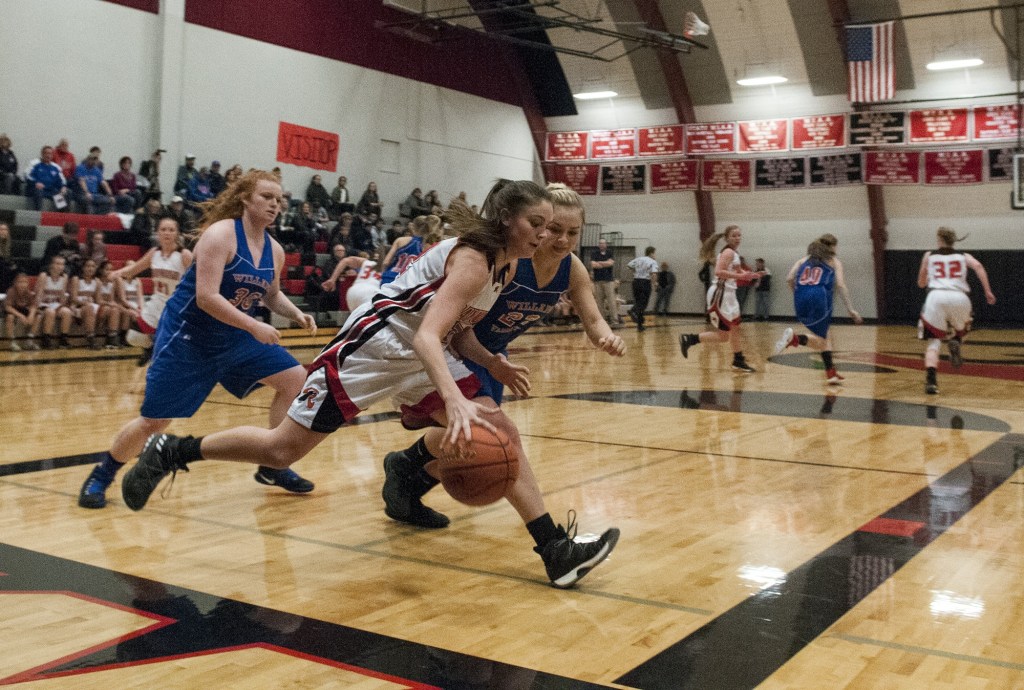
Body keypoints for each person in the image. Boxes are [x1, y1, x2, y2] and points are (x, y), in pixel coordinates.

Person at [117, 181, 548, 528]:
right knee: (281, 451)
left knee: (496, 426)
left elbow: (456, 331)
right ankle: (171, 450)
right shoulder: (474, 259)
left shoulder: (505, 266)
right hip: (376, 346)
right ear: (507, 219)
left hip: (419, 355)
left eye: (551, 227)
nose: (545, 235)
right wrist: (453, 397)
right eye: (537, 223)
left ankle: (553, 544)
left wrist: (491, 361)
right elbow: (427, 336)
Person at [380, 182, 622, 588]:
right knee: (499, 442)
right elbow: (453, 328)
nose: (560, 239)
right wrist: (489, 360)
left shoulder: (572, 267)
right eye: (551, 228)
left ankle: (407, 469)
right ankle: (555, 549)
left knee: (479, 449)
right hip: (452, 350)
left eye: (571, 232)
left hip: (487, 357)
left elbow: (593, 318)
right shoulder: (510, 260)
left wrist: (604, 336)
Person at [77, 170, 318, 509]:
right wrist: (253, 326)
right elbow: (206, 297)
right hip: (189, 336)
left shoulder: (274, 250)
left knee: (295, 379)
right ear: (246, 199)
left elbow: (271, 294)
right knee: (155, 421)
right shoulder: (220, 235)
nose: (275, 204)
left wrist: (295, 313)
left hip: (233, 336)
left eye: (279, 200)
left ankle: (273, 464)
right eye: (267, 197)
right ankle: (101, 475)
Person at [772, 235, 862, 385]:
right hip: (819, 298)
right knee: (821, 340)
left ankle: (831, 374)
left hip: (800, 297)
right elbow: (840, 285)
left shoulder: (803, 260)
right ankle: (795, 338)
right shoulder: (833, 261)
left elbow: (789, 278)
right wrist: (851, 309)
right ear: (832, 247)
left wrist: (797, 293)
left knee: (826, 337)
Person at [915, 227, 996, 395]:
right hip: (960, 297)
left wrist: (925, 280)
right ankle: (957, 342)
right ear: (954, 240)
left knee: (934, 341)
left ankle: (931, 382)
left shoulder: (929, 256)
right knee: (963, 330)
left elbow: (921, 283)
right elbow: (979, 266)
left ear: (939, 239)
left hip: (935, 297)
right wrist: (988, 291)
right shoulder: (963, 256)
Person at [679, 225, 764, 373]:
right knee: (724, 336)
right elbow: (719, 271)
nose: (737, 238)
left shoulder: (734, 253)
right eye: (734, 236)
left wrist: (751, 275)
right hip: (720, 294)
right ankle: (690, 339)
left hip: (730, 295)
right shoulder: (728, 252)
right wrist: (741, 276)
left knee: (736, 329)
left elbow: (738, 271)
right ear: (726, 238)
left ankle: (738, 360)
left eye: (739, 235)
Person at [116, 215, 193, 365]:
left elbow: (198, 280)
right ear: (157, 233)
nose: (167, 233)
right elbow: (134, 269)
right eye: (163, 229)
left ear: (177, 234)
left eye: (171, 230)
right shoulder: (154, 253)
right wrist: (117, 273)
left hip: (177, 306)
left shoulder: (184, 255)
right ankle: (150, 348)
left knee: (170, 348)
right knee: (132, 337)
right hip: (157, 302)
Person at [378, 213, 442, 285]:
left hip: (388, 278)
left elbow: (386, 262)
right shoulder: (428, 246)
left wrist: (382, 275)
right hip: (408, 283)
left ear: (413, 227)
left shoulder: (400, 240)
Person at [34, 255, 73, 349]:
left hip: (55, 304)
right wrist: (36, 308)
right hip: (43, 304)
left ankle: (63, 339)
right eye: (57, 263)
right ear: (51, 265)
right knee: (50, 312)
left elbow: (63, 296)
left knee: (67, 312)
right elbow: (38, 295)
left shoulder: (64, 277)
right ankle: (46, 338)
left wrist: (63, 305)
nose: (60, 266)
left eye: (62, 264)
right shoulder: (44, 276)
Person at [25, 145, 68, 211]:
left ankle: (59, 217)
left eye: (50, 153)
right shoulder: (35, 164)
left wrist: (63, 187)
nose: (48, 155)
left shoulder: (55, 167)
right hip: (36, 189)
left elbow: (61, 181)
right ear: (42, 154)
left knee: (63, 194)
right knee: (38, 191)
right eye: (46, 153)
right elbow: (27, 176)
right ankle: (38, 213)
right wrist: (35, 183)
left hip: (50, 191)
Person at [4, 271, 40, 351]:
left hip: (22, 309)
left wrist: (31, 315)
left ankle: (29, 340)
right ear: (15, 283)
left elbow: (33, 305)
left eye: (25, 282)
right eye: (20, 282)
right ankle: (12, 342)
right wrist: (21, 316)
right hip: (13, 310)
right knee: (10, 317)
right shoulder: (11, 291)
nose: (23, 284)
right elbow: (8, 307)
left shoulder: (28, 292)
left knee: (38, 316)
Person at [627, 246, 658, 331]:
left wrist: (636, 271)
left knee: (638, 302)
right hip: (645, 282)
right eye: (655, 253)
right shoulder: (652, 261)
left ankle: (640, 325)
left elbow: (629, 265)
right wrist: (655, 284)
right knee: (643, 303)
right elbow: (654, 274)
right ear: (651, 253)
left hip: (636, 282)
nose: (655, 255)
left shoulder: (639, 259)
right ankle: (633, 311)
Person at [589, 238, 616, 326]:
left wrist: (600, 263)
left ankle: (614, 320)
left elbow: (611, 263)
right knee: (599, 302)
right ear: (598, 245)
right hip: (598, 280)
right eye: (600, 243)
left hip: (608, 280)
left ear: (606, 244)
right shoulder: (594, 253)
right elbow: (593, 265)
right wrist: (605, 263)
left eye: (603, 243)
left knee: (611, 301)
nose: (602, 245)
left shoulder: (609, 252)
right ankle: (602, 320)